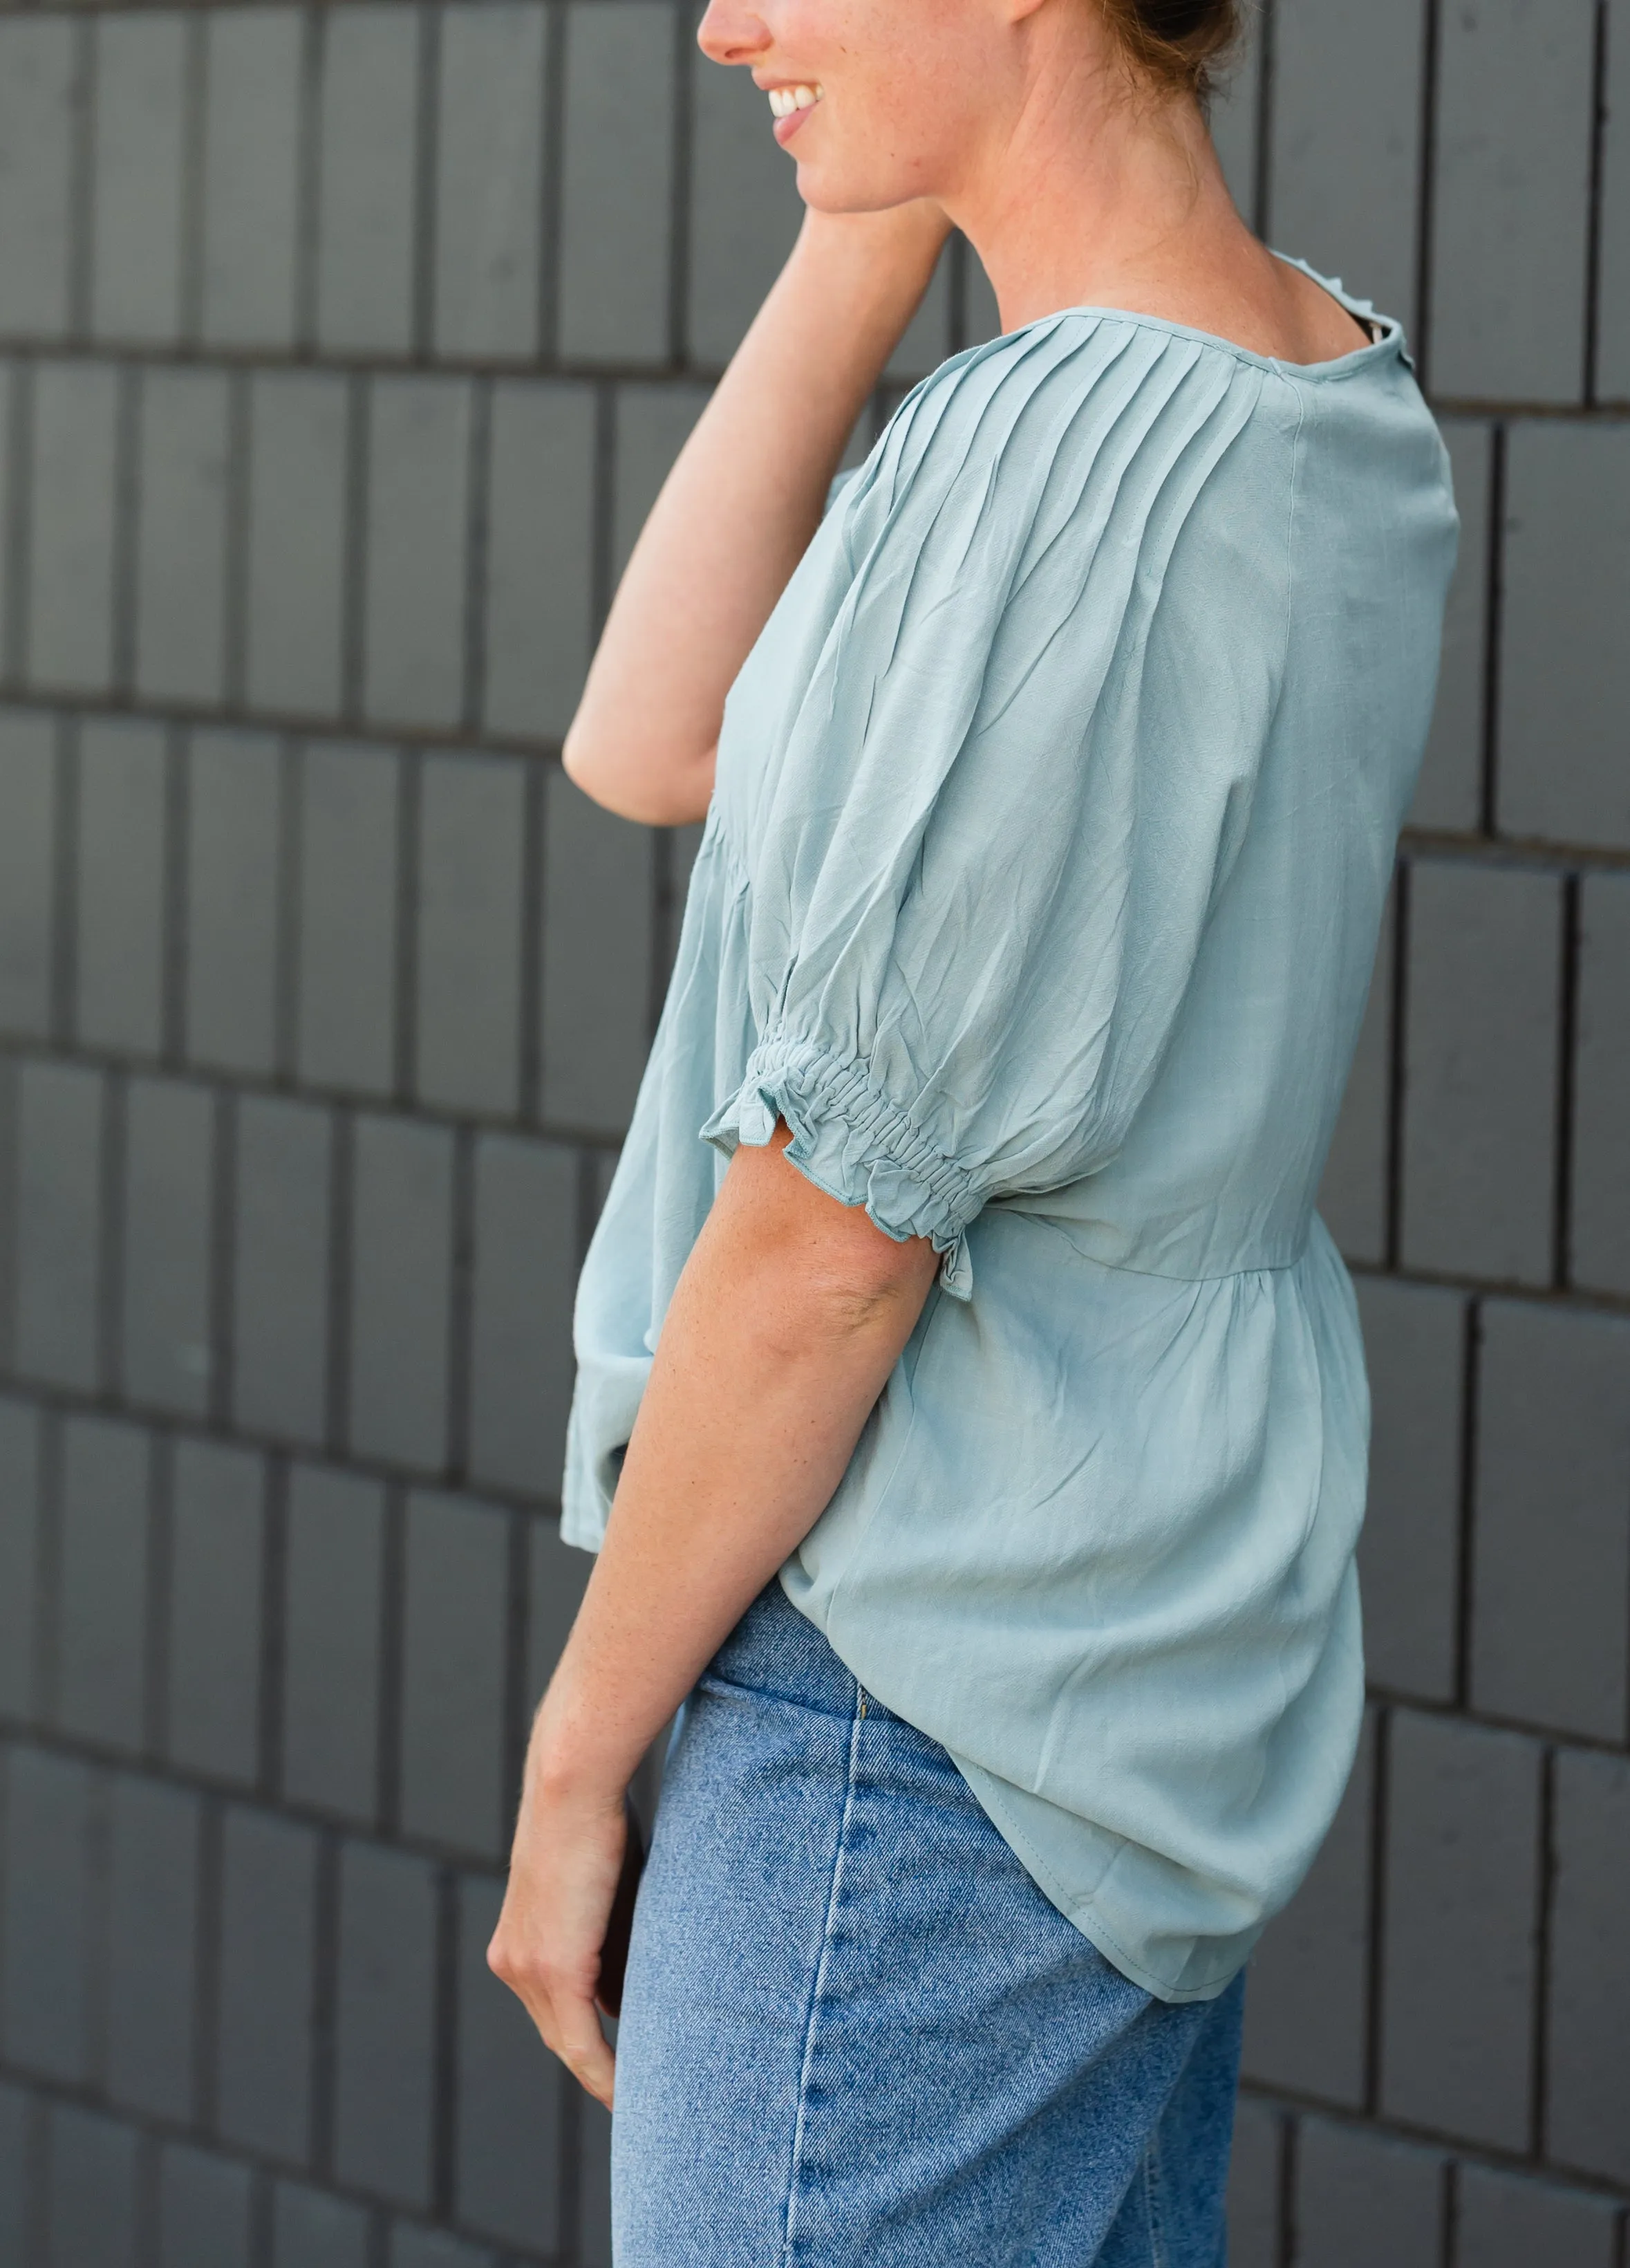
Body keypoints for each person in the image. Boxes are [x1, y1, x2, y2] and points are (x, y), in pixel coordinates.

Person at [489, 0, 1456, 2258]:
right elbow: (653, 734)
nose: (725, 24)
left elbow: (829, 1245)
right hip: (1123, 1651)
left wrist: (570, 1764)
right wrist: (878, 199)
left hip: (894, 1704)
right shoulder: (1326, 396)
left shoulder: (1047, 468)